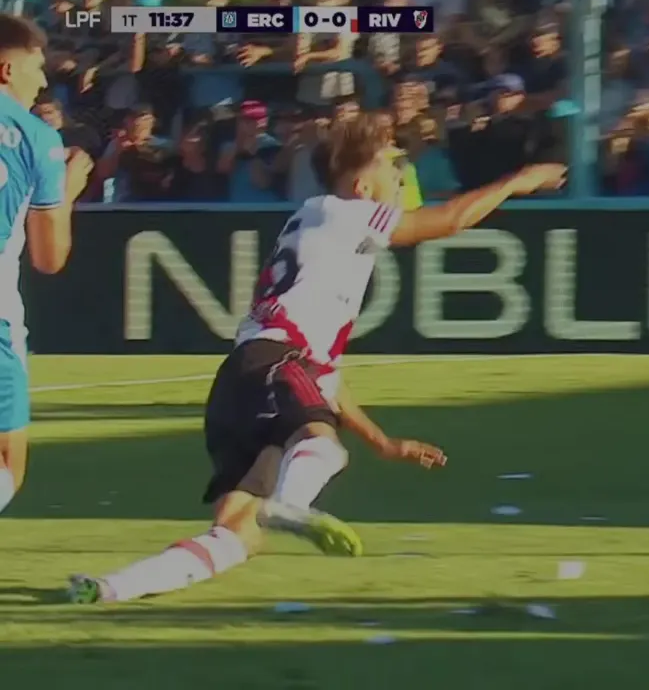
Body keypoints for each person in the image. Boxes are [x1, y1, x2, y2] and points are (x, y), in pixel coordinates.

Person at [66, 117, 566, 604]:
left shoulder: (321, 230)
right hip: (272, 363)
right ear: (361, 186)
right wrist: (518, 181)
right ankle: (290, 505)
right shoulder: (344, 212)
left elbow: (322, 379)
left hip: (244, 380)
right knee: (322, 448)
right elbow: (449, 219)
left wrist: (382, 442)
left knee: (237, 531)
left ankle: (110, 588)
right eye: (390, 167)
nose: (400, 177)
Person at [0, 15, 94, 515]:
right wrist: (69, 191)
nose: (42, 82)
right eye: (36, 69)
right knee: (5, 465)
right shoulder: (37, 138)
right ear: (6, 69)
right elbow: (49, 258)